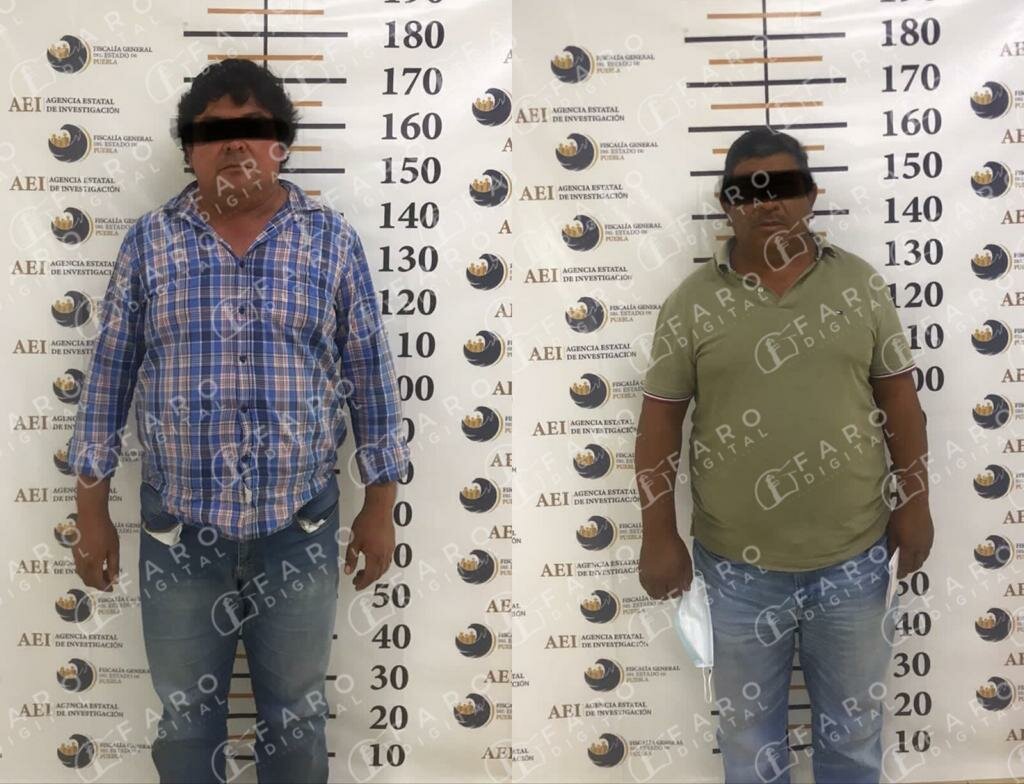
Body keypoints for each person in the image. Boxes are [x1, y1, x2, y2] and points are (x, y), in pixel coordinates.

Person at [66, 59, 409, 784]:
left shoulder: (331, 243)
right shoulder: (150, 244)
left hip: (300, 528)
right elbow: (108, 380)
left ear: (280, 143)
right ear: (189, 150)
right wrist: (89, 512)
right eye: (212, 132)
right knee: (187, 722)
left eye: (252, 129)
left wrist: (381, 506)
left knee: (296, 717)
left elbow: (372, 382)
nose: (233, 145)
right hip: (178, 532)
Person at [635, 127, 932, 783]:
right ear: (727, 204)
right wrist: (656, 533)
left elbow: (901, 404)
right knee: (750, 749)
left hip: (855, 560)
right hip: (735, 571)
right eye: (748, 190)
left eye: (785, 186)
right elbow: (659, 424)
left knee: (853, 741)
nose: (767, 201)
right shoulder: (691, 304)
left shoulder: (860, 286)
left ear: (812, 196)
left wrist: (916, 504)